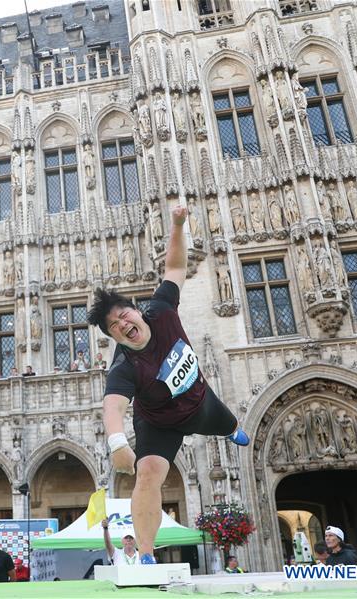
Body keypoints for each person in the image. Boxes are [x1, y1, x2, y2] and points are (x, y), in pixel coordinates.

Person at [87, 206, 249, 566]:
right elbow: (113, 407)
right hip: (160, 423)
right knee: (147, 475)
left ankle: (234, 426)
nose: (123, 325)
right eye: (114, 326)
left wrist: (177, 225)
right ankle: (145, 553)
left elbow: (174, 267)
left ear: (136, 310)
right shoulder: (124, 367)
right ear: (113, 335)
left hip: (202, 402)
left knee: (229, 426)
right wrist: (117, 444)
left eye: (123, 315)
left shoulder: (160, 310)